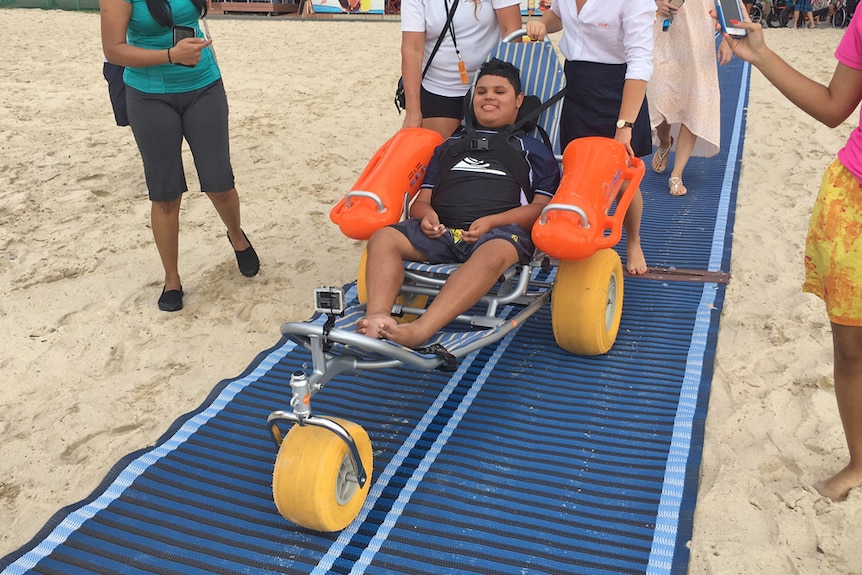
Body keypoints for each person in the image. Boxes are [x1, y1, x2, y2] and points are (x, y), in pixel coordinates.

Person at [717, 12, 862, 502]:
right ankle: (860, 460)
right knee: (851, 347)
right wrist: (760, 55)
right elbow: (833, 106)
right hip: (854, 201)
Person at [358, 59, 560, 347]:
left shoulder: (533, 149)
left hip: (500, 234)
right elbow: (422, 201)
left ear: (518, 101)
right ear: (472, 100)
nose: (489, 96)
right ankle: (378, 316)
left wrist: (494, 221)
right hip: (443, 232)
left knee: (492, 255)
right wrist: (427, 216)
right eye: (481, 92)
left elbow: (541, 208)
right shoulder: (448, 146)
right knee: (383, 238)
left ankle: (422, 329)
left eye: (499, 92)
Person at [100, 0, 259, 312]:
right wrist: (170, 55)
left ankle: (237, 236)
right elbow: (114, 50)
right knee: (165, 194)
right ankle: (171, 278)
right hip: (148, 95)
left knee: (220, 183)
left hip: (204, 86)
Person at [525, 0, 655, 275]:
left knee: (621, 179)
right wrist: (543, 24)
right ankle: (582, 237)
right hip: (576, 86)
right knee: (578, 171)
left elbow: (640, 62)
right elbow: (559, 16)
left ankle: (634, 240)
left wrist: (625, 125)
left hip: (618, 89)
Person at [399, 0, 523, 140]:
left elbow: (512, 32)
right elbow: (412, 49)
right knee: (440, 155)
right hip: (438, 86)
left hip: (488, 87)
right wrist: (412, 111)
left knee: (489, 154)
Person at [650, 0, 733, 196]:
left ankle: (677, 174)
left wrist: (728, 39)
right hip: (665, 33)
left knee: (694, 100)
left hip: (700, 37)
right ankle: (664, 141)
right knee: (658, 100)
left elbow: (731, 2)